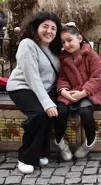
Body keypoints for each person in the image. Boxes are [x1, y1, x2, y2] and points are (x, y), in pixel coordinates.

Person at [6, 12, 62, 174]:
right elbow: (33, 78)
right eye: (45, 27)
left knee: (54, 114)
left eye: (53, 28)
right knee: (38, 114)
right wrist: (47, 104)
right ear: (35, 27)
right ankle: (25, 157)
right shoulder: (27, 45)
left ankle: (42, 153)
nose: (49, 31)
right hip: (22, 87)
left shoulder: (52, 50)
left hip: (44, 90)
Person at [54, 22, 101, 161]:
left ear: (80, 38)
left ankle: (89, 142)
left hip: (90, 91)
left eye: (69, 40)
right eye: (63, 42)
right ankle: (60, 142)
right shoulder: (64, 58)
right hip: (70, 91)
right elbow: (62, 77)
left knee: (85, 111)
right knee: (60, 111)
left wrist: (83, 92)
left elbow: (96, 77)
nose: (66, 44)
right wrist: (64, 91)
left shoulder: (91, 55)